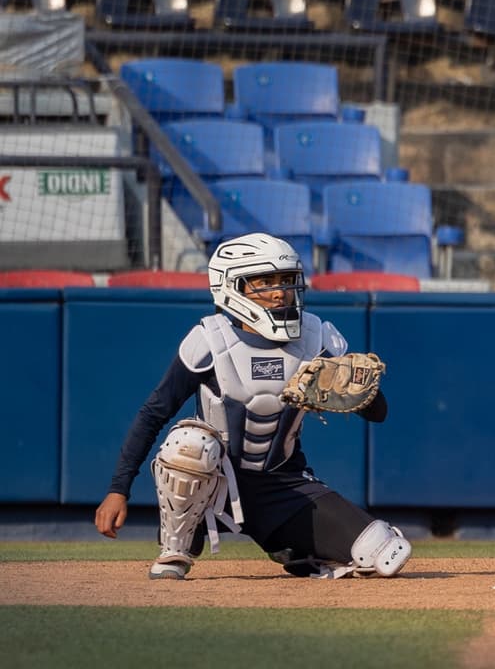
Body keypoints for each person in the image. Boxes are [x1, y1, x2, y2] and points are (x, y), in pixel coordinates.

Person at [94, 232, 412, 580]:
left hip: (283, 482)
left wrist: (355, 392)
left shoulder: (317, 336)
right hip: (211, 484)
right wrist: (117, 490)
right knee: (190, 444)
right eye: (265, 281)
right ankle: (176, 547)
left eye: (286, 280)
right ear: (232, 286)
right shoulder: (209, 339)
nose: (279, 291)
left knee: (383, 553)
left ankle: (298, 550)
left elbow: (378, 413)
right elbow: (153, 414)